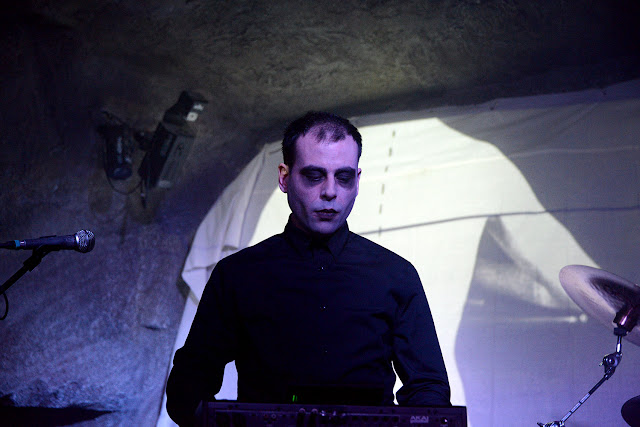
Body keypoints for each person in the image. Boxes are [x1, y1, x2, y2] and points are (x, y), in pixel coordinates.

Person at [166, 111, 450, 426]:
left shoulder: (396, 275)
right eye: (314, 176)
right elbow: (186, 389)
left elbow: (428, 389)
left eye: (343, 177)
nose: (330, 192)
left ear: (357, 181)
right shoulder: (236, 275)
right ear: (284, 178)